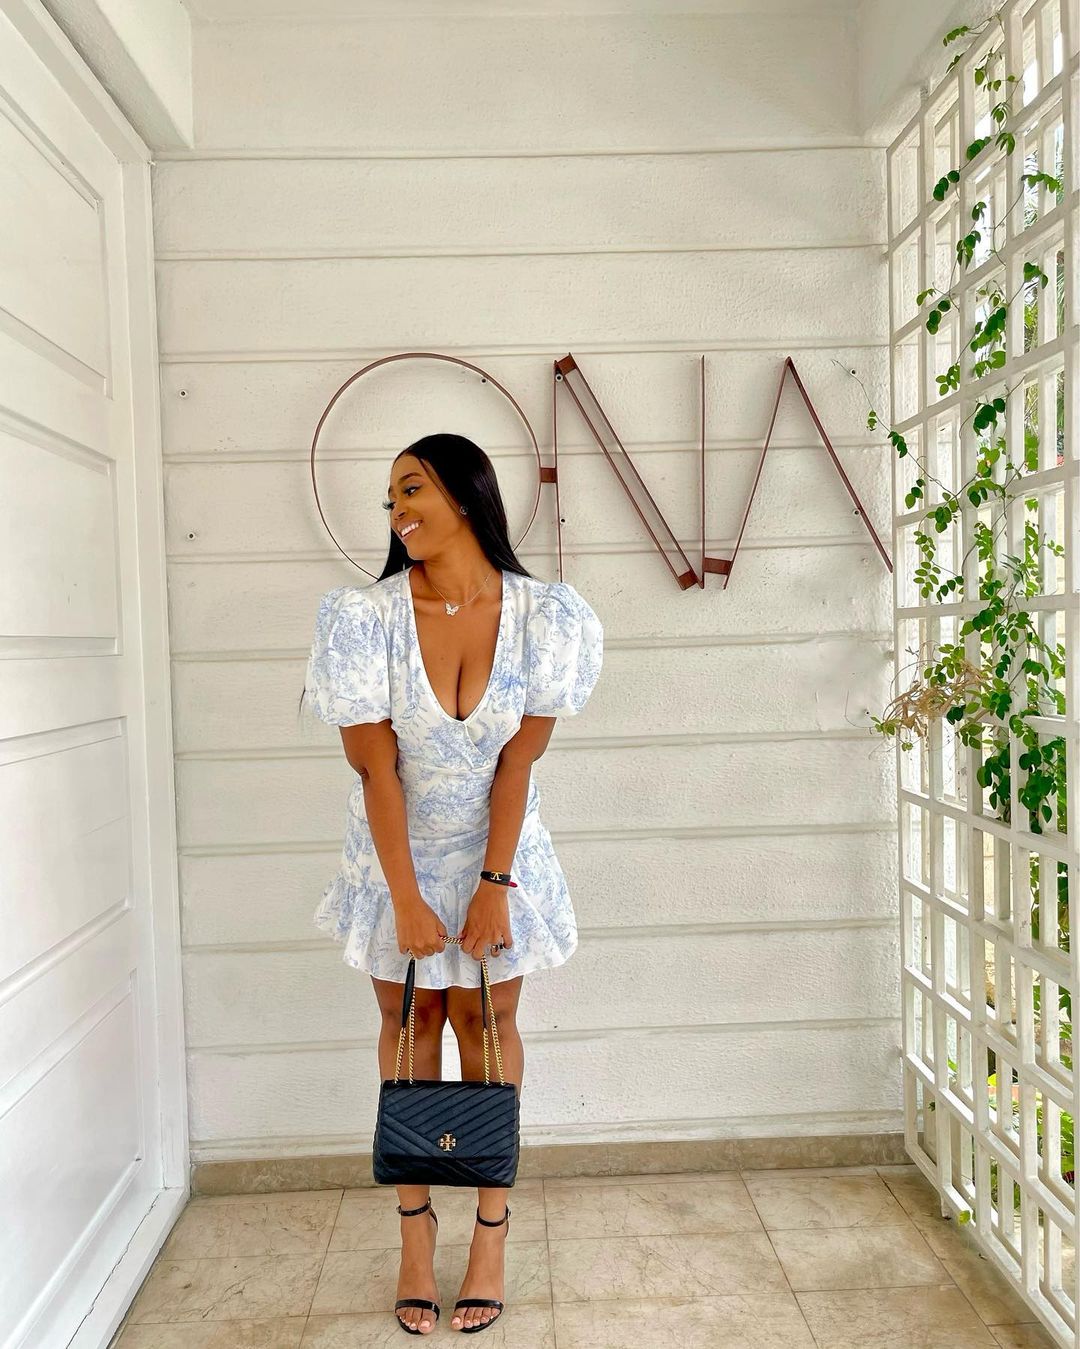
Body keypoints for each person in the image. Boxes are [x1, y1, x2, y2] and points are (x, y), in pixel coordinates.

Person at [300, 433, 603, 1334]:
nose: (396, 509)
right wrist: (405, 896)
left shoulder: (546, 617)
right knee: (412, 1023)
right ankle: (414, 1233)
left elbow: (518, 764)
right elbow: (375, 770)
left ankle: (490, 1236)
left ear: (466, 496)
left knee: (487, 1024)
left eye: (412, 488)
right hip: (394, 853)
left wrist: (493, 883)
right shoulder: (366, 619)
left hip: (500, 853)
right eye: (390, 496)